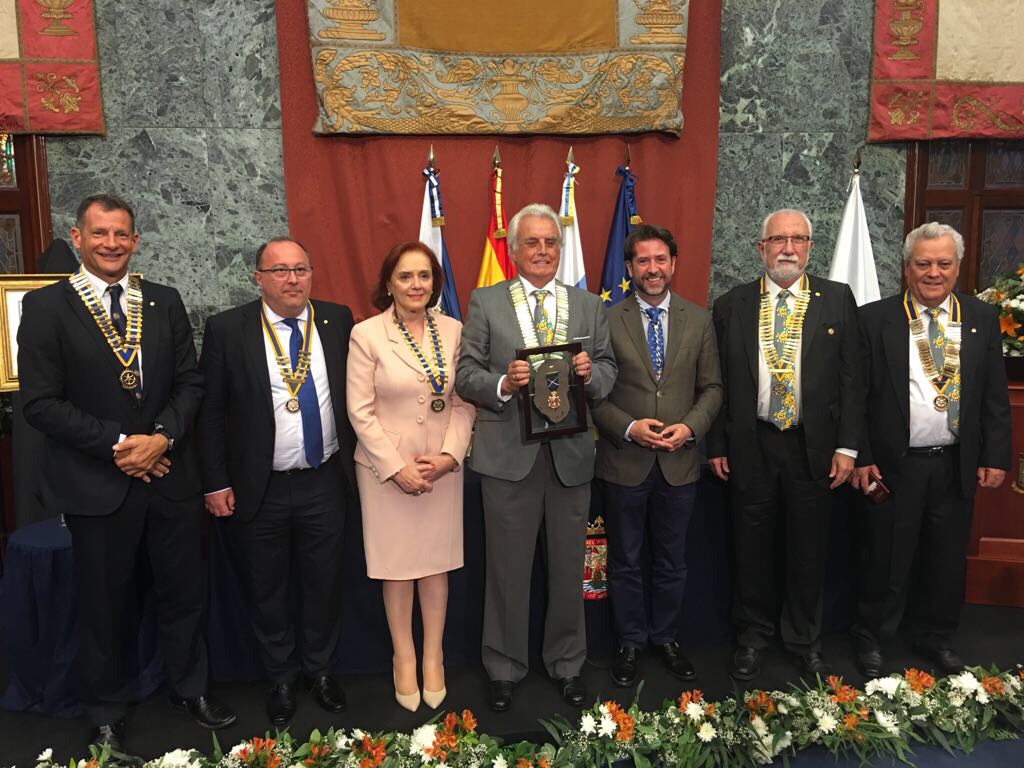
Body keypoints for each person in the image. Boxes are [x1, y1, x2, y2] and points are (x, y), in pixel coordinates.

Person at [18, 194, 236, 754]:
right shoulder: (46, 308)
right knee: (103, 605)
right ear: (79, 236)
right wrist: (121, 446)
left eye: (122, 234)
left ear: (136, 240)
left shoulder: (162, 301)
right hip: (98, 485)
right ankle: (106, 710)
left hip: (170, 477)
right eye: (100, 234)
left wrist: (160, 437)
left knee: (184, 594)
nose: (111, 244)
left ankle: (190, 690)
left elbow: (190, 383)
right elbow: (41, 404)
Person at [455, 203, 617, 712]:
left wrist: (592, 374)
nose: (543, 250)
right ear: (514, 248)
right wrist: (503, 381)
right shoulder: (486, 302)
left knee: (569, 569)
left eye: (551, 242)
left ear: (559, 249)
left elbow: (610, 373)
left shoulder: (589, 305)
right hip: (508, 458)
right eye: (532, 242)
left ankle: (568, 665)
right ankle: (504, 668)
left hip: (570, 459)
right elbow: (465, 375)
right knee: (506, 569)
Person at [198, 236, 356, 728]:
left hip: (325, 479)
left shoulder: (337, 320)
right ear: (258, 278)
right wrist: (215, 481)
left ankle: (321, 671)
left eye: (301, 270)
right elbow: (209, 414)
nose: (293, 280)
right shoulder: (228, 329)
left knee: (324, 584)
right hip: (259, 485)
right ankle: (281, 678)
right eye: (281, 271)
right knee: (267, 588)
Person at [707, 208, 863, 680]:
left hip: (813, 447)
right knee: (750, 546)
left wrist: (849, 448)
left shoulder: (836, 300)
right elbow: (717, 384)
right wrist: (717, 444)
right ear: (761, 248)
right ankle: (752, 636)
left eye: (798, 239)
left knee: (808, 548)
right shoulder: (731, 304)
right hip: (751, 443)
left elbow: (853, 379)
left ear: (811, 247)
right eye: (777, 240)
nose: (788, 248)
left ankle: (803, 638)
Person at [850, 222, 1010, 678]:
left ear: (958, 267)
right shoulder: (874, 319)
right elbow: (855, 396)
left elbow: (994, 396)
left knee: (945, 558)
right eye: (923, 264)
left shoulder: (980, 318)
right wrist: (861, 454)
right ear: (907, 268)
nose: (933, 273)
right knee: (885, 558)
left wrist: (995, 455)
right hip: (893, 466)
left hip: (954, 464)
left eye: (943, 263)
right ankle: (872, 638)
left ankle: (936, 637)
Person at [346, 241, 476, 712]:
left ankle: (433, 656)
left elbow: (464, 403)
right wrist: (396, 468)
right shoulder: (367, 334)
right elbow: (359, 411)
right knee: (398, 570)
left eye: (424, 276)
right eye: (406, 276)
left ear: (434, 284)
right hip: (387, 472)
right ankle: (403, 656)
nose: (416, 284)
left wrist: (449, 456)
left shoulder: (455, 330)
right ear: (389, 284)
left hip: (441, 468)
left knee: (436, 566)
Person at [591, 224, 723, 687]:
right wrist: (629, 428)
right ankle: (630, 642)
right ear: (629, 268)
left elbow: (712, 388)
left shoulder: (699, 319)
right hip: (624, 461)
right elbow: (594, 395)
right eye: (643, 261)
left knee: (672, 561)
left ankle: (666, 638)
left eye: (660, 259)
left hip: (680, 463)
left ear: (674, 263)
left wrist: (690, 427)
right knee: (624, 560)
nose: (653, 269)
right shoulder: (605, 321)